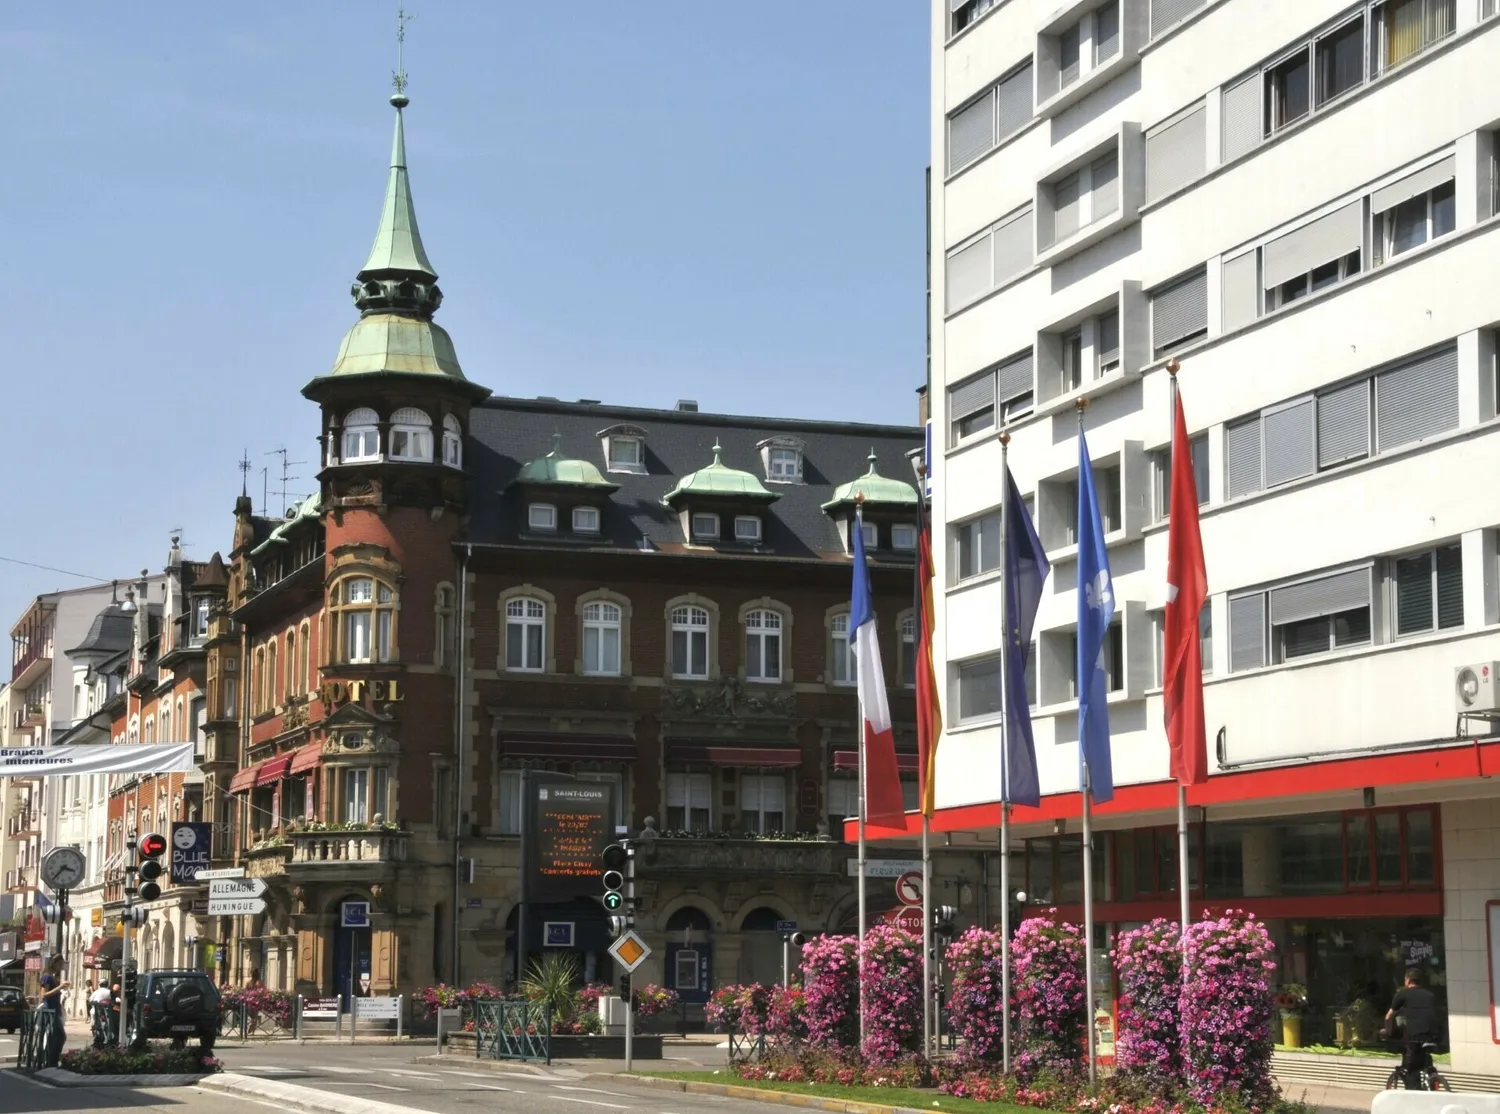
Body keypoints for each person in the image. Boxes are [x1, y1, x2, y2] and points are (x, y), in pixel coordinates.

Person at [1384, 967, 1438, 1089]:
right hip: (1432, 1034)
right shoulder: (1430, 995)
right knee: (1424, 1060)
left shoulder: (1402, 994)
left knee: (1411, 1068)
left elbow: (1388, 1016)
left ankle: (1414, 1091)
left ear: (1408, 980)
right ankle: (1432, 1076)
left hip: (1415, 1035)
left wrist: (1387, 1030)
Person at [37, 955, 70, 1067]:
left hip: (54, 1010)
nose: (61, 967)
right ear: (55, 963)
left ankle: (51, 1060)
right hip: (49, 1011)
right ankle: (51, 1061)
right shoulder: (47, 977)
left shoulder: (52, 977)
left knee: (55, 1036)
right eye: (60, 964)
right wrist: (59, 987)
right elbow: (43, 994)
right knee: (59, 1036)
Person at [89, 981, 113, 1048]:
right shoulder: (109, 992)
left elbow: (90, 1000)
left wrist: (93, 1003)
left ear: (100, 985)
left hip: (97, 1011)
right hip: (107, 1012)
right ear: (107, 985)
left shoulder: (97, 991)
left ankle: (96, 1035)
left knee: (94, 1023)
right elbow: (113, 1000)